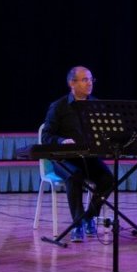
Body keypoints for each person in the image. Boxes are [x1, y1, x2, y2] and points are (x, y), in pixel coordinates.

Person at [40, 66, 116, 242]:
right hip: (63, 159)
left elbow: (104, 133)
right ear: (72, 83)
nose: (89, 83)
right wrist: (61, 141)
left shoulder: (96, 105)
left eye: (91, 79)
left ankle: (89, 217)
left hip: (88, 158)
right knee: (75, 175)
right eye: (85, 79)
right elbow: (46, 136)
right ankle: (77, 224)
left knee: (108, 179)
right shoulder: (59, 107)